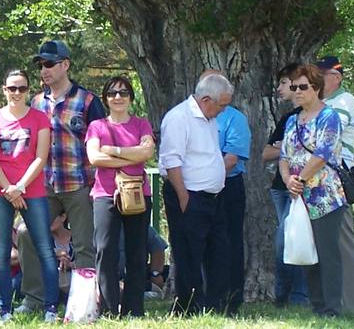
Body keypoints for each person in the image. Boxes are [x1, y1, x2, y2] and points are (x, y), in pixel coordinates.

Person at [16, 39, 105, 315]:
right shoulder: (35, 102)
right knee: (26, 233)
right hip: (44, 185)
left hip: (80, 184)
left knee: (84, 246)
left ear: (65, 65)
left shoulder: (88, 100)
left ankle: (86, 307)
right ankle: (34, 299)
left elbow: (101, 139)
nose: (44, 70)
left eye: (50, 64)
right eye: (41, 65)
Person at [279, 62, 354, 316]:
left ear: (315, 88)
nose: (298, 91)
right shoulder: (292, 120)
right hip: (299, 196)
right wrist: (288, 181)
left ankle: (332, 308)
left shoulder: (329, 117)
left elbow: (323, 154)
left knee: (328, 253)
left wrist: (300, 179)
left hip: (325, 195)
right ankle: (317, 305)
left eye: (303, 86)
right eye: (294, 87)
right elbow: (284, 156)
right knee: (307, 251)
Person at [0, 67, 57, 322]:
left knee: (45, 248)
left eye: (22, 88)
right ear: (4, 90)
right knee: (1, 251)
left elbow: (41, 157)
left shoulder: (39, 118)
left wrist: (20, 187)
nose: (16, 93)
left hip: (32, 189)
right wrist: (8, 189)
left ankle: (50, 308)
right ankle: (5, 309)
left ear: (29, 90)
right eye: (11, 88)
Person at [159, 71, 233, 315]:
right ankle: (188, 305)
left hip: (213, 196)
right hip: (188, 194)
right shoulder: (179, 118)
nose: (223, 110)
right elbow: (172, 161)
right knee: (188, 253)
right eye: (221, 105)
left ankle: (214, 304)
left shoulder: (209, 118)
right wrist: (183, 198)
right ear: (206, 100)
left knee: (218, 251)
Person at [86, 75, 155, 318]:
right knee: (105, 250)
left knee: (137, 251)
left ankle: (134, 309)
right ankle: (108, 308)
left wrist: (114, 151)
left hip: (137, 193)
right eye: (113, 93)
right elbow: (94, 158)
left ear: (130, 98)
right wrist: (131, 155)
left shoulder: (141, 124)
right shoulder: (97, 126)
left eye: (123, 93)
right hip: (105, 194)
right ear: (105, 98)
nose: (118, 97)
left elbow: (147, 151)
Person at [317, 55, 354, 314]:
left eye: (321, 75)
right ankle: (331, 302)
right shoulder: (323, 103)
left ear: (335, 77)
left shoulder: (344, 100)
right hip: (319, 178)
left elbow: (329, 134)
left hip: (336, 177)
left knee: (342, 241)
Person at [262, 62, 310, 307]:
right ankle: (282, 296)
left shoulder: (317, 116)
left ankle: (300, 296)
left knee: (297, 240)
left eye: (284, 83)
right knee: (284, 242)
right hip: (281, 189)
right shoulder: (287, 119)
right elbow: (267, 152)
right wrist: (284, 149)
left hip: (304, 189)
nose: (279, 88)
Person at [207, 68, 251, 315]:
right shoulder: (188, 117)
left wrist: (208, 178)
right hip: (200, 189)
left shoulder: (234, 118)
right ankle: (205, 295)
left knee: (231, 243)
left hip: (228, 187)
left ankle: (231, 299)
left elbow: (231, 158)